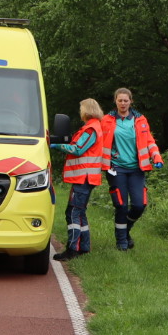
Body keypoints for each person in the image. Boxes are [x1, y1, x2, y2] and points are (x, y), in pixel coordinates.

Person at [101, 87, 164, 251]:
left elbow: (149, 141)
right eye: (120, 100)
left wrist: (156, 157)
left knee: (139, 205)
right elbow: (98, 140)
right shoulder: (107, 120)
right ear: (115, 101)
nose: (123, 103)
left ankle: (126, 230)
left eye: (125, 100)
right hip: (116, 168)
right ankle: (121, 241)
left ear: (131, 101)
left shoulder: (140, 119)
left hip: (137, 169)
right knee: (121, 205)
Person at [52, 99, 107, 260]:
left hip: (84, 177)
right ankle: (83, 247)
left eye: (81, 108)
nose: (80, 111)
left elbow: (78, 149)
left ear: (87, 110)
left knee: (73, 212)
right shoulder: (92, 127)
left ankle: (72, 249)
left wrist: (57, 146)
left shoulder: (91, 129)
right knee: (79, 212)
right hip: (85, 177)